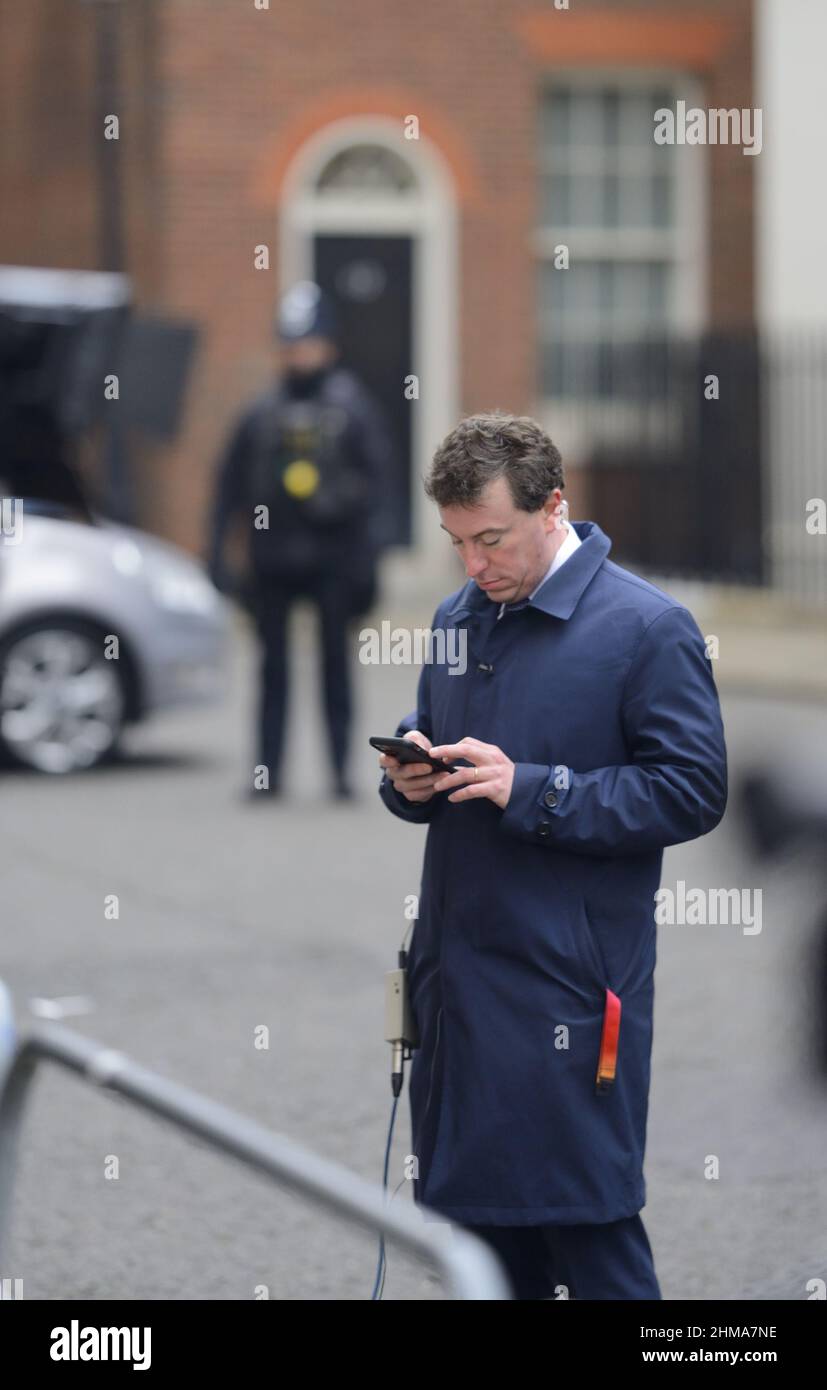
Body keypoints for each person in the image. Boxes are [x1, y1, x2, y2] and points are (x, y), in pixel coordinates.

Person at [377, 411, 728, 1300]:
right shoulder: (459, 615)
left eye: (489, 538)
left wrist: (533, 789)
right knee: (480, 1257)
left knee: (590, 1234)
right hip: (457, 990)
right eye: (456, 542)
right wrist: (409, 784)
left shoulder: (648, 628)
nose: (472, 565)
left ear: (553, 508)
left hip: (568, 995)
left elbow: (691, 791)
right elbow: (444, 757)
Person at [207, 282, 394, 799]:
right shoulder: (260, 413)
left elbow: (380, 489)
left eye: (307, 343)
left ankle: (339, 773)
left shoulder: (354, 408)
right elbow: (227, 487)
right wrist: (218, 555)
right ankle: (268, 775)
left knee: (336, 667)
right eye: (290, 344)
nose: (299, 354)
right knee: (272, 672)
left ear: (328, 345)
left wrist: (370, 564)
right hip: (272, 563)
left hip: (333, 561)